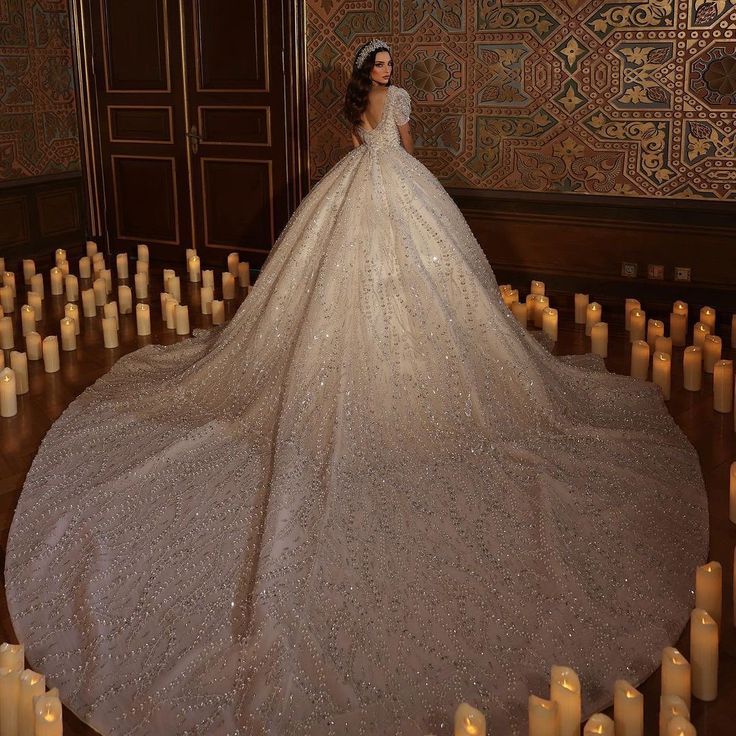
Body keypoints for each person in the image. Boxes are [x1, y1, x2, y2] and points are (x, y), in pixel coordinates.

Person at [5, 39, 707, 736]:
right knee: (345, 297)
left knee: (412, 294)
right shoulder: (390, 108)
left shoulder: (370, 108)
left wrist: (395, 165)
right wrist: (402, 163)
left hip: (373, 190)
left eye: (390, 68)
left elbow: (383, 146)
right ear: (369, 74)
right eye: (381, 67)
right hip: (384, 192)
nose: (388, 75)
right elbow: (402, 148)